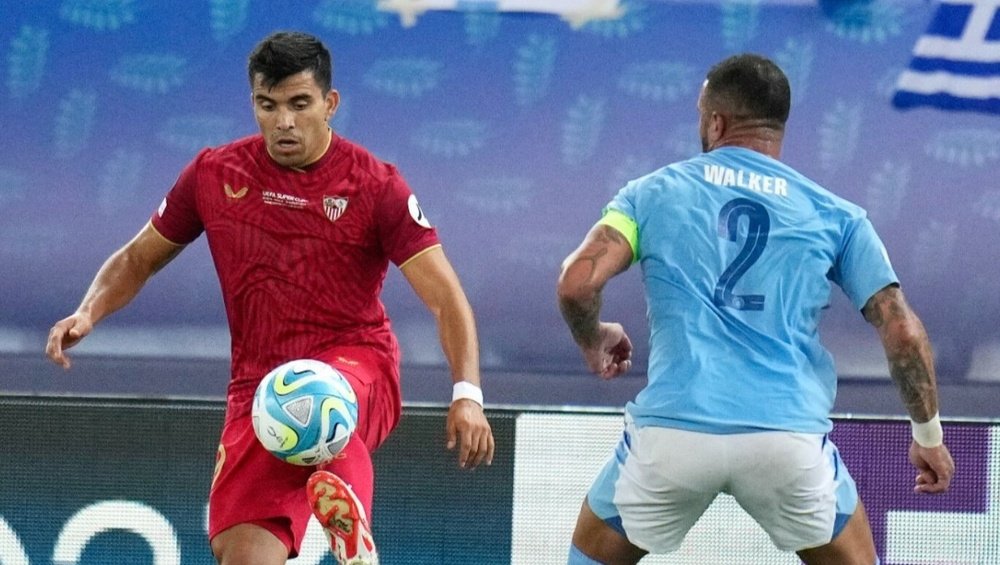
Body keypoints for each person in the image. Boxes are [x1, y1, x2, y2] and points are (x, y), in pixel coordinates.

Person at [45, 30, 494, 565]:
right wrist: (88, 309)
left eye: (299, 104)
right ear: (254, 104)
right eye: (268, 104)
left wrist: (468, 392)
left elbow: (446, 297)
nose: (283, 121)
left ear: (330, 104)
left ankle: (354, 538)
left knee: (315, 395)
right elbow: (138, 257)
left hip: (357, 364)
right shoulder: (215, 174)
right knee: (241, 554)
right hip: (257, 390)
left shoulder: (376, 186)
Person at [556, 53, 955, 565]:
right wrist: (928, 436)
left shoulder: (651, 194)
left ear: (715, 121)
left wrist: (593, 339)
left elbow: (575, 284)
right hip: (786, 443)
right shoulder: (836, 215)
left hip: (674, 436)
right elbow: (902, 330)